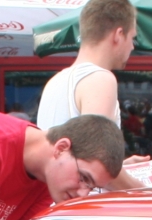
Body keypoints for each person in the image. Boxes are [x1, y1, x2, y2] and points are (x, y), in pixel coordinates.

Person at [36, 0, 134, 130]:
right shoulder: (100, 79)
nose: (132, 47)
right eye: (132, 38)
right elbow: (98, 149)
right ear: (119, 35)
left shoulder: (54, 82)